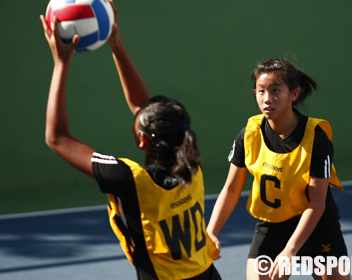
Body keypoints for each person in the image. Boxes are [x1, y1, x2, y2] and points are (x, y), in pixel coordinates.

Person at [40, 1, 221, 279]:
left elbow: (57, 138)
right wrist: (117, 46)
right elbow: (143, 109)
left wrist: (60, 64)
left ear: (142, 141)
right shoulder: (191, 165)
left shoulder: (130, 181)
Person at [207, 59, 350, 280]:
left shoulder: (316, 137)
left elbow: (317, 202)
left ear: (293, 94)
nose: (267, 99)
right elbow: (232, 189)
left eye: (275, 91)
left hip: (316, 226)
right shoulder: (248, 135)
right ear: (255, 92)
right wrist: (211, 232)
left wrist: (290, 250)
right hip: (272, 226)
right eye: (261, 91)